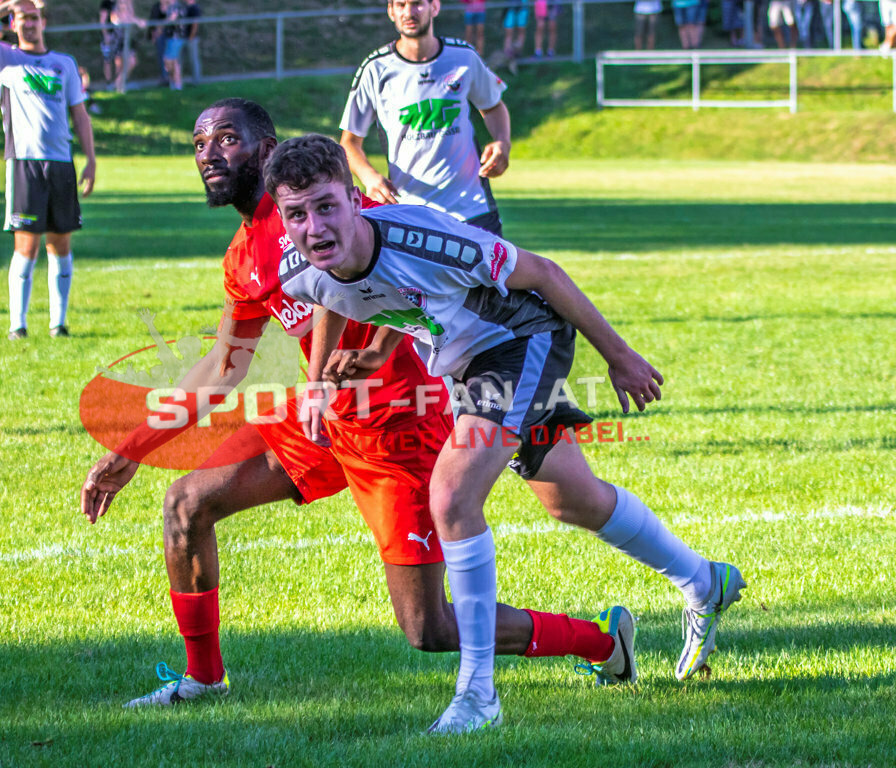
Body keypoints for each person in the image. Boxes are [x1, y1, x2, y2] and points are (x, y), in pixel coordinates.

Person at [81, 97, 638, 711]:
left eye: (225, 140)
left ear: (264, 151)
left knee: (430, 629)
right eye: (199, 144)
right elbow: (223, 366)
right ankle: (203, 679)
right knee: (187, 503)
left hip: (401, 427)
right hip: (323, 420)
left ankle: (600, 640)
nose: (209, 154)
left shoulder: (333, 205)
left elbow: (409, 273)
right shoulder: (245, 257)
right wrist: (132, 447)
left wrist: (375, 348)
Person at [269, 134, 746, 733]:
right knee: (572, 499)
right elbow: (345, 293)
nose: (313, 226)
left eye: (326, 206)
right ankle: (705, 582)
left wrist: (618, 356)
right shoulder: (301, 264)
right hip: (466, 365)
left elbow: (543, 273)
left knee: (451, 497)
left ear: (355, 199)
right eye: (296, 214)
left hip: (520, 340)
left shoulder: (426, 236)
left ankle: (478, 696)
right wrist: (330, 375)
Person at [0, 0, 96, 340]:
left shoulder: (63, 64)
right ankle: (17, 326)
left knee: (60, 244)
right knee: (26, 246)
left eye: (34, 17)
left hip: (62, 164)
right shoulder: (5, 58)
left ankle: (59, 324)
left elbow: (79, 115)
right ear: (14, 23)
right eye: (22, 18)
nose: (29, 24)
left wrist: (91, 160)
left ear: (43, 22)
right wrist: (8, 3)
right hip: (24, 164)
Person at [340, 0, 511, 236]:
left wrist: (503, 141)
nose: (409, 12)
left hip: (473, 209)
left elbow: (493, 106)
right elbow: (349, 142)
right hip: (410, 212)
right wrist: (369, 177)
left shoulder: (464, 57)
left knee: (492, 274)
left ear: (435, 7)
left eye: (418, 4)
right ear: (391, 11)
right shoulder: (376, 69)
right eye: (401, 5)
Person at [161, 0, 185, 91]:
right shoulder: (169, 6)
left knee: (172, 61)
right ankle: (174, 84)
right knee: (171, 61)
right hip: (170, 38)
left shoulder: (176, 6)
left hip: (175, 38)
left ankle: (178, 84)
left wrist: (162, 23)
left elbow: (172, 18)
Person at [502, 0, 530, 69]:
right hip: (510, 7)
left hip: (523, 7)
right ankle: (507, 54)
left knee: (521, 30)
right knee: (509, 32)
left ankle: (518, 53)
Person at [183, 0, 201, 84]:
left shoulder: (195, 8)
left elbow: (195, 24)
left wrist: (191, 36)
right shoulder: (185, 8)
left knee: (193, 60)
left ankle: (196, 81)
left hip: (191, 38)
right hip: (183, 38)